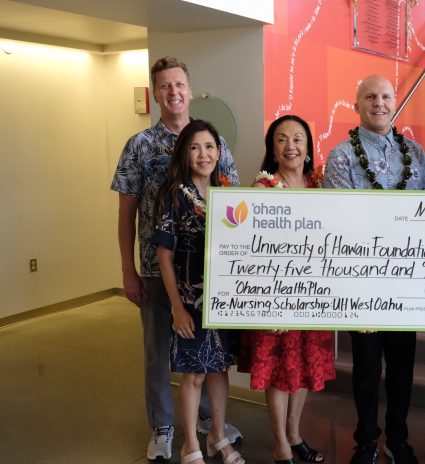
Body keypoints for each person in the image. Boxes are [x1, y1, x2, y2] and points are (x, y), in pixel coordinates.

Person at [110, 56, 241, 460]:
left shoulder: (213, 142)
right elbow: (127, 213)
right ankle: (163, 427)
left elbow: (236, 202)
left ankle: (206, 422)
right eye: (165, 86)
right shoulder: (140, 146)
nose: (174, 92)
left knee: (204, 350)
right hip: (155, 268)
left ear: (189, 87)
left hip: (207, 275)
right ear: (156, 93)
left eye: (179, 84)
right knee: (158, 349)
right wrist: (127, 270)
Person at [323, 75, 425, 464]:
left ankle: (397, 438)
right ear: (357, 105)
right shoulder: (340, 157)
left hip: (406, 283)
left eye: (386, 96)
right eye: (370, 97)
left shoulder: (416, 155)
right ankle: (366, 440)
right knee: (367, 367)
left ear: (394, 101)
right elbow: (340, 221)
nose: (379, 103)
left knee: (402, 367)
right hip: (362, 283)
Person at [237, 114, 335, 464]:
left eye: (297, 138)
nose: (290, 146)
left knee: (307, 364)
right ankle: (280, 443)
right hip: (275, 295)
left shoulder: (321, 185)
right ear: (272, 148)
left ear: (308, 146)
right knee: (279, 370)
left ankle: (295, 433)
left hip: (313, 295)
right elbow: (251, 246)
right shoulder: (261, 189)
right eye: (281, 139)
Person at [152, 119, 243, 464]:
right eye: (194, 147)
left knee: (220, 368)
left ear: (219, 152)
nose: (203, 154)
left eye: (209, 147)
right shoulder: (173, 195)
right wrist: (177, 307)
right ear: (184, 154)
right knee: (194, 373)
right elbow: (164, 255)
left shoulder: (229, 194)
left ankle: (218, 435)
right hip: (191, 303)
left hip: (224, 301)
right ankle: (191, 442)